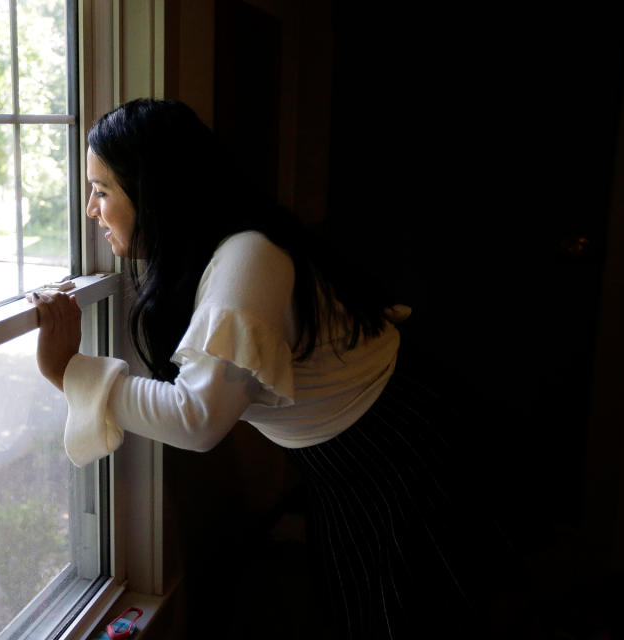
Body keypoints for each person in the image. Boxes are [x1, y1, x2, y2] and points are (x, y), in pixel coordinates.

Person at [32, 99, 493, 638]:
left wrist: (69, 370)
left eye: (102, 190)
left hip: (394, 440)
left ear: (154, 190)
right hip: (352, 448)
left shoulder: (248, 257)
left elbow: (197, 419)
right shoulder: (221, 251)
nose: (91, 209)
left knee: (408, 611)